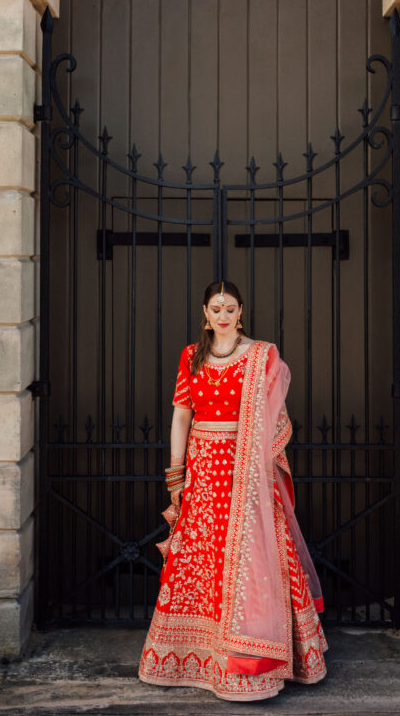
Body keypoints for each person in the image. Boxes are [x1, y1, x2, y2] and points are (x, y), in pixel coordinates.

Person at [138, 279, 328, 701]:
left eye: (230, 309)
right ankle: (197, 656)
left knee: (253, 555)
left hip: (247, 472)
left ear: (241, 312)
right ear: (205, 314)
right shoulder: (191, 356)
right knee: (202, 558)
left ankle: (254, 658)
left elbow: (273, 418)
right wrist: (176, 474)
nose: (222, 315)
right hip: (204, 472)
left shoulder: (260, 355)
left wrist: (251, 464)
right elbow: (182, 416)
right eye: (215, 308)